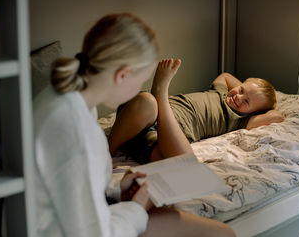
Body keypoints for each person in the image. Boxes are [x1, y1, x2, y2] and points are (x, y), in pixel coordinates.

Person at [33, 13, 238, 237]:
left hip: (85, 221)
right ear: (122, 75)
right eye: (141, 80)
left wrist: (118, 192)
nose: (138, 89)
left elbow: (73, 188)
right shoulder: (76, 131)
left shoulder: (70, 97)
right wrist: (136, 208)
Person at [108, 61, 284, 163]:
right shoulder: (220, 91)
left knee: (184, 163)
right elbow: (225, 76)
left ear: (252, 113)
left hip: (161, 136)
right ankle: (108, 151)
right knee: (148, 102)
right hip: (142, 115)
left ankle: (161, 92)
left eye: (246, 102)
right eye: (241, 90)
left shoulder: (239, 121)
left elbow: (276, 116)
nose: (238, 97)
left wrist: (259, 108)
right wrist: (250, 92)